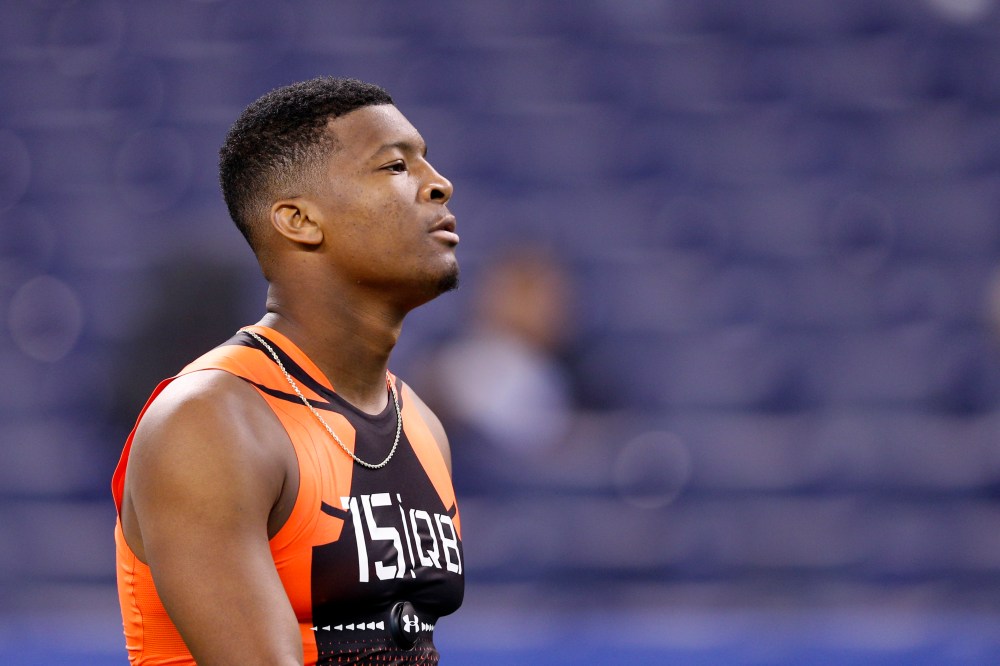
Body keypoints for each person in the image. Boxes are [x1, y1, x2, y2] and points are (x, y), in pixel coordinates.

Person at [111, 77, 464, 666]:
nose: (439, 184)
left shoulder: (420, 424)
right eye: (396, 166)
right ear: (299, 219)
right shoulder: (212, 422)